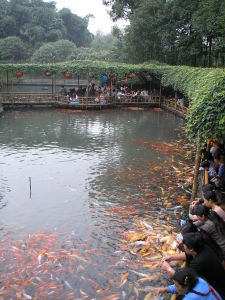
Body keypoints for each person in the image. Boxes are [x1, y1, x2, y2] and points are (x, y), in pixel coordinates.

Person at [162, 232, 225, 297]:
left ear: (191, 248)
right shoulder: (202, 247)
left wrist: (168, 268)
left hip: (216, 290)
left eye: (184, 244)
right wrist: (171, 258)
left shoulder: (198, 262)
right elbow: (187, 255)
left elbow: (183, 279)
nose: (183, 245)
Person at [156, 268, 222, 299]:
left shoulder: (190, 298)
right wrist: (165, 289)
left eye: (176, 286)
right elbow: (181, 286)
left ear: (186, 287)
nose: (175, 287)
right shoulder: (198, 280)